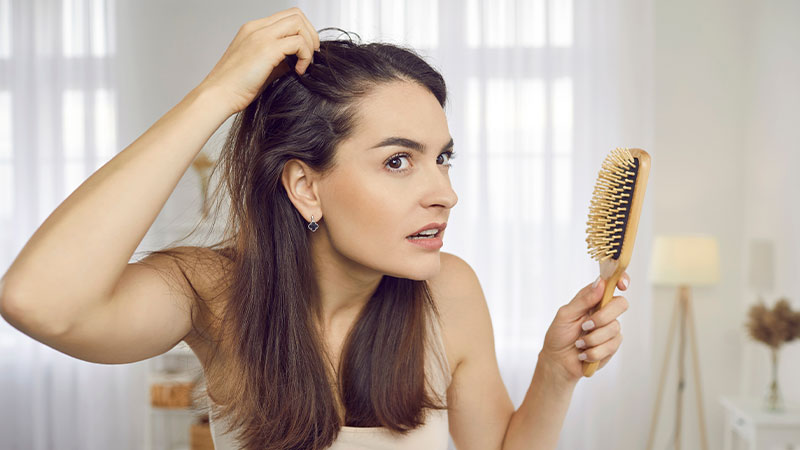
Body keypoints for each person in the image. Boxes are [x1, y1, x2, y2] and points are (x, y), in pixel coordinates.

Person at [0, 6, 630, 450]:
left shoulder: (448, 290)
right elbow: (39, 303)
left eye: (442, 158)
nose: (445, 193)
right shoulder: (213, 292)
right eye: (397, 161)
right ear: (306, 186)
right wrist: (217, 94)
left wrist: (554, 372)